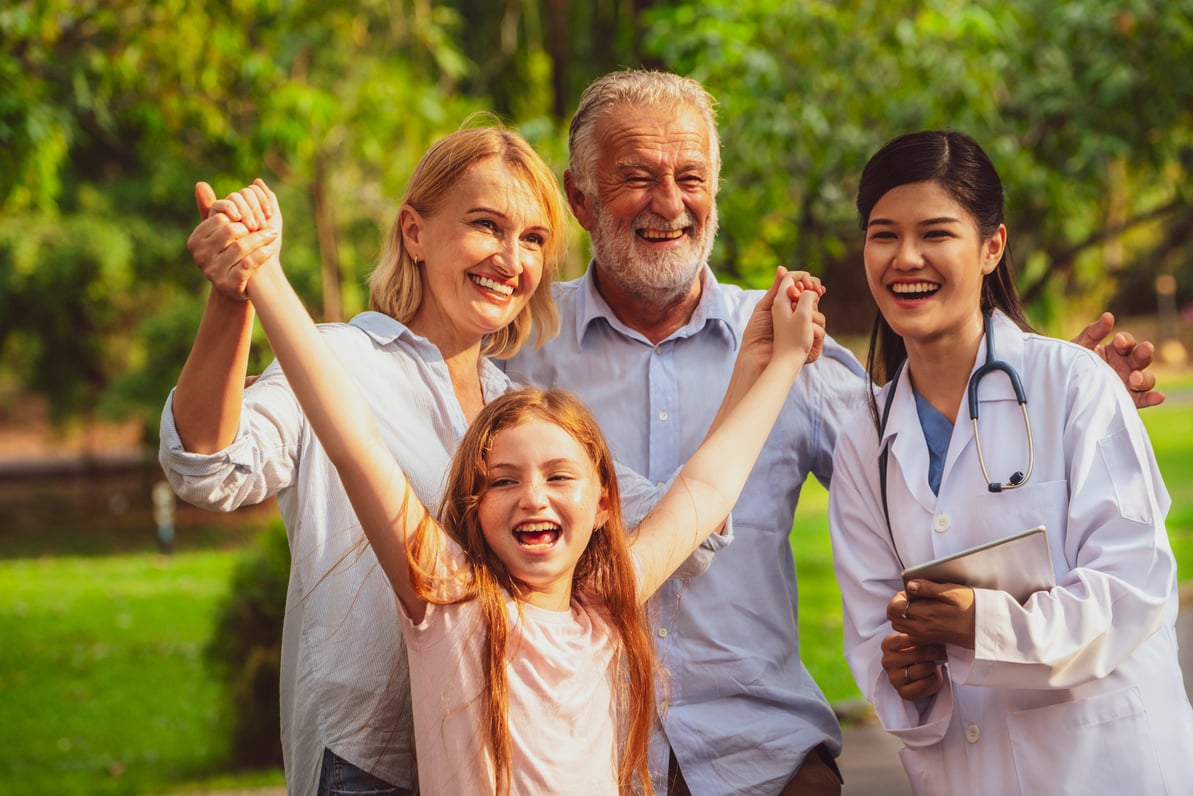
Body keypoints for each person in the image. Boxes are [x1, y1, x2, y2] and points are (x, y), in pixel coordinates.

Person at [504, 69, 1166, 796]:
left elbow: (932, 464)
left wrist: (1053, 390)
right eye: (636, 176)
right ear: (578, 196)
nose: (670, 203)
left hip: (764, 760)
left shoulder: (797, 349)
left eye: (690, 176)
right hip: (582, 757)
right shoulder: (520, 354)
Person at [230, 171, 827, 793]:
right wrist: (263, 275)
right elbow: (353, 442)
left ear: (602, 503)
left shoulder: (605, 606)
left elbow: (705, 491)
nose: (533, 497)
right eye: (503, 481)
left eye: (559, 476)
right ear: (473, 505)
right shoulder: (448, 607)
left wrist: (777, 360)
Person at [159, 125, 582, 795]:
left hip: (498, 759)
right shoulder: (335, 360)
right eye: (486, 225)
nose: (510, 259)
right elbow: (209, 468)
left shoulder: (520, 413)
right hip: (367, 760)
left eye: (531, 239)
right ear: (413, 232)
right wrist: (232, 295)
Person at [827, 129, 1193, 795]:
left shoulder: (1073, 385)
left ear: (991, 246)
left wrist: (980, 624)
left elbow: (1132, 589)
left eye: (935, 233)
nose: (905, 257)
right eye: (883, 234)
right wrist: (904, 679)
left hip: (1105, 769)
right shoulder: (863, 437)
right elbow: (871, 634)